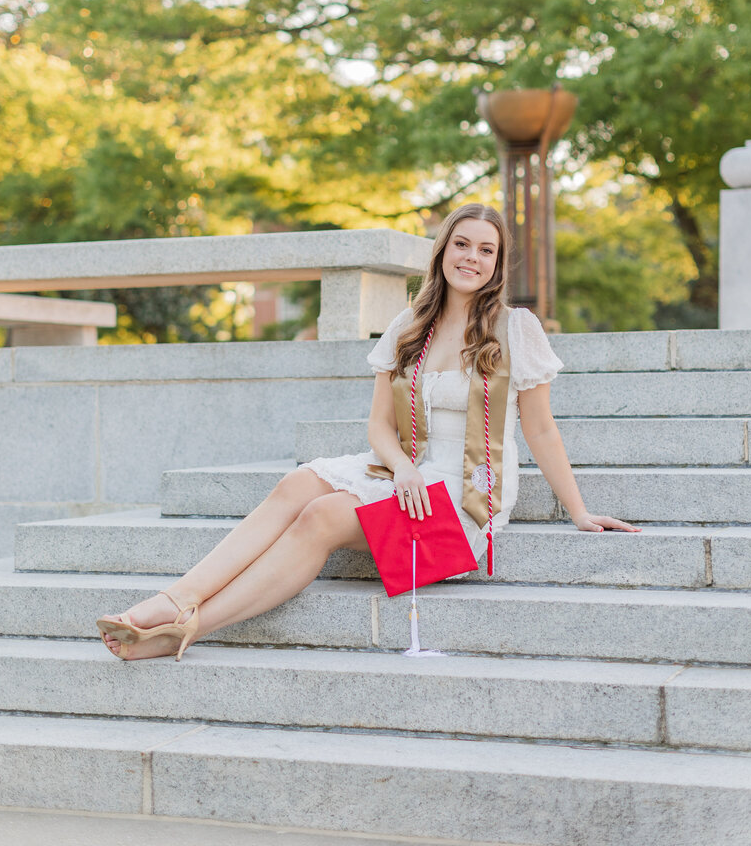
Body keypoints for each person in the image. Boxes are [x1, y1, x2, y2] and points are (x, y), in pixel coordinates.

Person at [97, 202, 640, 661]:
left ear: (496, 265)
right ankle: (177, 599)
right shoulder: (410, 326)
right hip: (408, 470)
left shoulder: (514, 329)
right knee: (297, 486)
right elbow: (379, 424)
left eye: (486, 250)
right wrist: (403, 468)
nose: (472, 258)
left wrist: (579, 511)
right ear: (443, 250)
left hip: (466, 501)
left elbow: (540, 429)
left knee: (323, 515)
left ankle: (186, 629)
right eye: (462, 244)